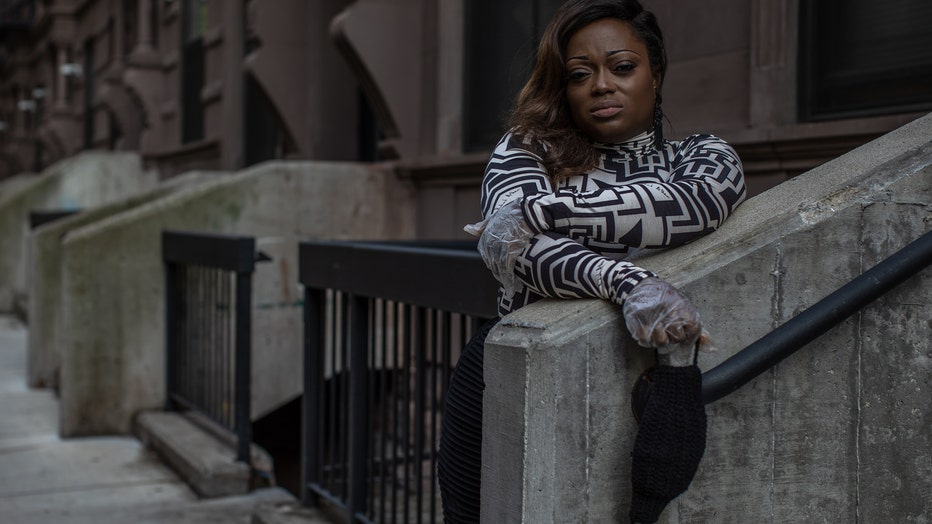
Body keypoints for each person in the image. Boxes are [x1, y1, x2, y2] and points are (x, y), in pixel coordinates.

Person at [438, 1, 747, 522]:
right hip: (514, 371)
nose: (601, 85)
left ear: (656, 72)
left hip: (657, 386)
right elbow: (520, 256)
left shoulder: (703, 154)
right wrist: (629, 283)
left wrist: (540, 210)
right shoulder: (528, 148)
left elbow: (690, 207)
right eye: (580, 75)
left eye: (622, 67)